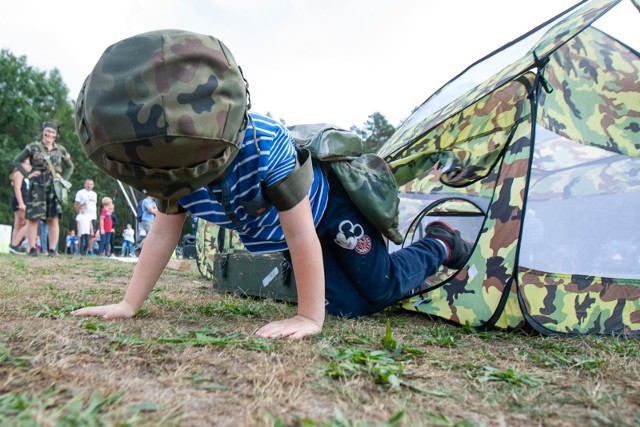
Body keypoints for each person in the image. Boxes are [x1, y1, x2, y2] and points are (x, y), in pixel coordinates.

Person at [71, 30, 471, 340]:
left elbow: (299, 232)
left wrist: (308, 317)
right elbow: (162, 236)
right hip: (293, 232)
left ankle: (441, 241)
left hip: (330, 211)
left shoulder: (262, 143)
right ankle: (406, 262)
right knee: (351, 307)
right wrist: (129, 303)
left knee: (380, 287)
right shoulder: (170, 168)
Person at [12, 120, 74, 257]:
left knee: (53, 218)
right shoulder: (32, 147)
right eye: (48, 131)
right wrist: (28, 175)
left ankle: (52, 250)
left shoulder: (61, 149)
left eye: (53, 132)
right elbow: (16, 160)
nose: (50, 134)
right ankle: (32, 248)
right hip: (37, 185)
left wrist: (63, 179)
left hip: (53, 186)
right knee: (34, 218)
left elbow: (70, 166)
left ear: (56, 135)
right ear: (43, 131)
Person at [8, 158, 31, 254]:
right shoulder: (19, 174)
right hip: (20, 202)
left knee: (17, 224)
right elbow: (17, 189)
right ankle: (14, 245)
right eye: (28, 164)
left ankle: (13, 247)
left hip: (21, 201)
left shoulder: (25, 176)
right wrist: (21, 203)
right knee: (28, 223)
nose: (30, 167)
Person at [74, 179, 98, 254]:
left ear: (93, 185)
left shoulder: (94, 194)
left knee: (91, 234)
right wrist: (79, 214)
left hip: (92, 216)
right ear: (85, 184)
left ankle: (89, 250)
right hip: (83, 217)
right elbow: (76, 204)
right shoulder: (80, 193)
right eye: (87, 184)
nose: (89, 185)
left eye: (91, 184)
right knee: (81, 235)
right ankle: (80, 250)